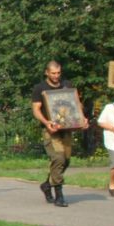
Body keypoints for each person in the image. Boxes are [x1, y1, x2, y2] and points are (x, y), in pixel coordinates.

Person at [31, 60, 88, 207]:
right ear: (47, 73)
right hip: (51, 130)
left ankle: (47, 185)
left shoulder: (67, 85)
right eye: (53, 73)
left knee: (66, 161)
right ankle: (59, 195)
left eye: (58, 73)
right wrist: (46, 123)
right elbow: (36, 109)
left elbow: (76, 104)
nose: (56, 76)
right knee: (58, 158)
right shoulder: (40, 88)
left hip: (67, 129)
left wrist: (82, 119)